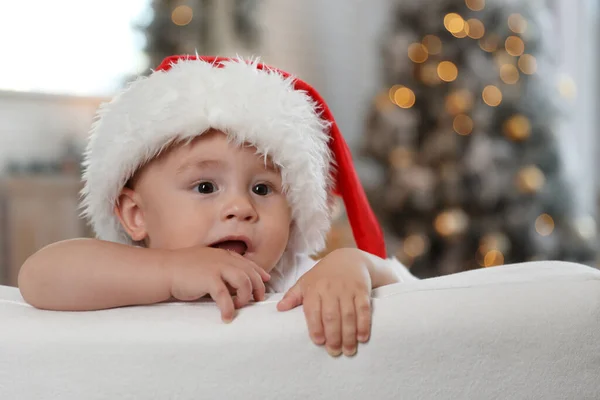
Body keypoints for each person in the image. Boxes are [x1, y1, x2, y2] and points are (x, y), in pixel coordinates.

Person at [18, 55, 416, 357]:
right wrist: (170, 272)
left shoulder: (294, 278)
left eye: (262, 188)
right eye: (205, 186)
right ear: (137, 216)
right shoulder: (126, 272)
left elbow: (412, 296)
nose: (241, 207)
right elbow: (38, 277)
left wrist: (352, 265)